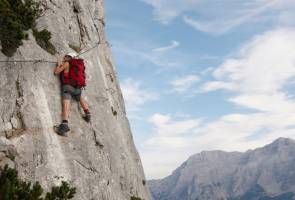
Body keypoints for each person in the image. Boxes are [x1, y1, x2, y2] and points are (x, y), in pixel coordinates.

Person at [54, 53, 91, 135]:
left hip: (67, 87)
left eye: (65, 56)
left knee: (66, 103)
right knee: (80, 97)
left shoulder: (67, 64)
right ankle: (87, 113)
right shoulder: (78, 66)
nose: (64, 57)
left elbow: (56, 72)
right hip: (77, 89)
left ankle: (64, 124)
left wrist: (58, 65)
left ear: (69, 57)